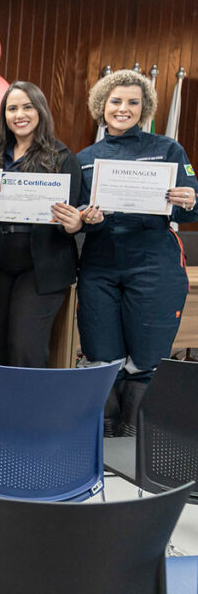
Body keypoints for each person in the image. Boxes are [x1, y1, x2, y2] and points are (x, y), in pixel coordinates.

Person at [76, 69, 198, 436]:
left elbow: (192, 207)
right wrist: (86, 217)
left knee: (147, 357)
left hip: (155, 263)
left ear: (145, 108)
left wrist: (191, 199)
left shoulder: (169, 149)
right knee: (101, 353)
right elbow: (77, 217)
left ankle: (133, 438)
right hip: (100, 265)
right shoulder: (84, 157)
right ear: (102, 105)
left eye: (133, 102)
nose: (123, 109)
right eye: (116, 101)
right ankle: (106, 434)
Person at [0, 81, 83, 368]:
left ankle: (29, 412)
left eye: (27, 107)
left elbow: (75, 217)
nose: (20, 114)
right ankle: (3, 410)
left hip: (43, 265)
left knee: (25, 346)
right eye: (12, 108)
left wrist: (74, 223)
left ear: (40, 110)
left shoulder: (63, 158)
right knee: (1, 346)